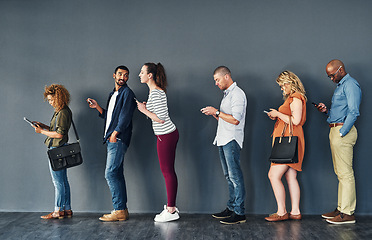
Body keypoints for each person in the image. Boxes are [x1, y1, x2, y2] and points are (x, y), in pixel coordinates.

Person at [87, 65, 136, 221]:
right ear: (114, 75)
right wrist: (98, 108)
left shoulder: (127, 93)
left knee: (110, 173)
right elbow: (110, 116)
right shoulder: (113, 94)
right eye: (120, 74)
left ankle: (118, 209)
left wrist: (115, 134)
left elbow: (125, 117)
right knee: (117, 174)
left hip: (118, 139)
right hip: (111, 138)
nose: (123, 77)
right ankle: (122, 210)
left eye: (126, 75)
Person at [316, 59, 361, 224]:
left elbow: (354, 112)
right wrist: (326, 111)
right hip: (335, 129)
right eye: (328, 76)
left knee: (346, 173)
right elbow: (339, 112)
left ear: (340, 69)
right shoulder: (341, 86)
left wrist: (342, 132)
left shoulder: (351, 85)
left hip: (343, 132)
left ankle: (348, 213)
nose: (331, 79)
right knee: (340, 173)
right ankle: (342, 208)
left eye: (332, 75)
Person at [201, 66, 247, 225]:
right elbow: (225, 120)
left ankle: (239, 212)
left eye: (217, 80)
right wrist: (215, 114)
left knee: (235, 176)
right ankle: (232, 207)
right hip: (222, 138)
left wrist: (217, 112)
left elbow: (236, 120)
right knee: (229, 176)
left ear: (227, 76)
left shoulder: (238, 94)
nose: (216, 83)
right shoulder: (228, 95)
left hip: (231, 140)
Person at [136, 62, 180, 222]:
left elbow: (160, 119)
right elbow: (157, 114)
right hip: (166, 135)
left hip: (166, 135)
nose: (139, 75)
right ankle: (171, 208)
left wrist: (143, 110)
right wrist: (148, 109)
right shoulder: (155, 92)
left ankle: (171, 210)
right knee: (168, 171)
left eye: (142, 72)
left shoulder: (155, 92)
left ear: (150, 75)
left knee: (167, 172)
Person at [264, 71, 307, 222]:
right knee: (291, 176)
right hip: (292, 140)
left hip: (289, 141)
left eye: (283, 85)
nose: (282, 88)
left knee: (273, 175)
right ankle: (295, 212)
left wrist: (277, 113)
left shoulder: (295, 98)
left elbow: (295, 120)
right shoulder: (293, 98)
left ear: (290, 83)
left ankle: (282, 211)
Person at [32, 84, 73, 219]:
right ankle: (67, 209)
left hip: (57, 149)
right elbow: (56, 129)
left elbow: (60, 134)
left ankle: (57, 211)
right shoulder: (61, 111)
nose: (50, 102)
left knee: (58, 182)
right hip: (60, 149)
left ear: (58, 97)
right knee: (63, 181)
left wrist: (41, 131)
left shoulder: (62, 112)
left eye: (51, 99)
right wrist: (43, 126)